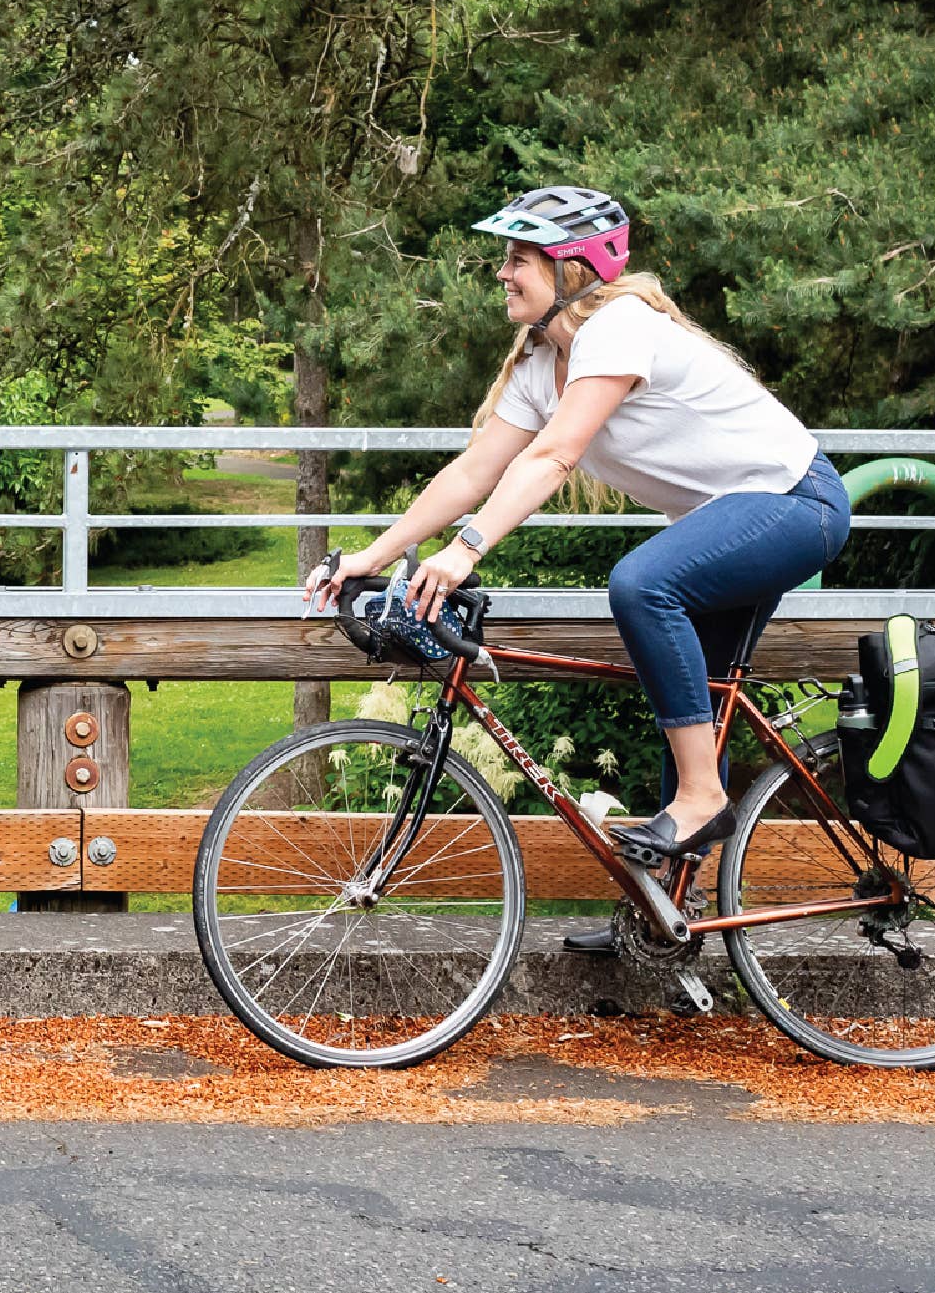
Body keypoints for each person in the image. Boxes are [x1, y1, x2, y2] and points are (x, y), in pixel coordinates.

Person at [306, 186, 850, 918]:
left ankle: (700, 796)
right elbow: (472, 471)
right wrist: (370, 556)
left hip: (796, 504)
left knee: (640, 586)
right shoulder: (538, 365)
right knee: (687, 705)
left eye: (518, 258)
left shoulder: (618, 327)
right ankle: (662, 921)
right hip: (732, 518)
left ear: (571, 268)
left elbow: (555, 453)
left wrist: (465, 550)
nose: (501, 272)